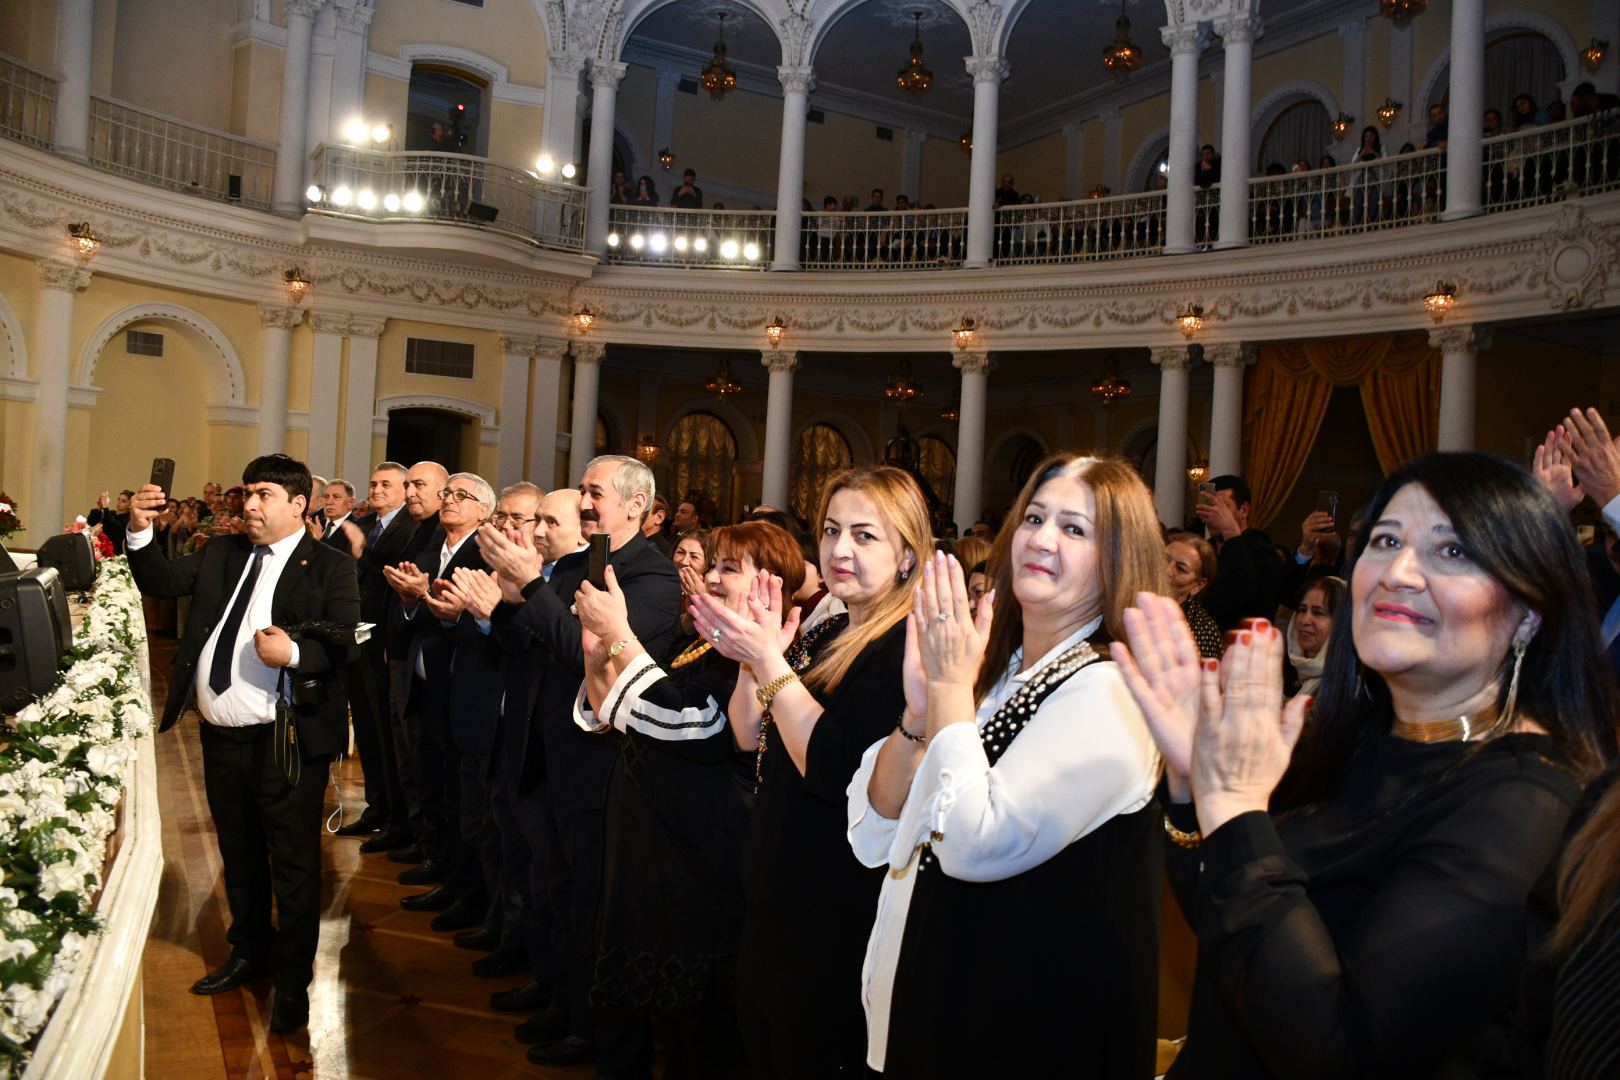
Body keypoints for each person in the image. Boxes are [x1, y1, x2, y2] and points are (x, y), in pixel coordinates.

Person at [1114, 451, 1614, 1077]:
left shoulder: (1527, 802)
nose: (1399, 572)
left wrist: (1236, 805)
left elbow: (1342, 1051)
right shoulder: (1361, 739)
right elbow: (1233, 924)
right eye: (1385, 540)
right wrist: (1193, 785)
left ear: (1529, 612)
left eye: (1453, 551)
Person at [848, 454, 1166, 1077]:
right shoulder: (996, 669)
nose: (1042, 539)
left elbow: (973, 844)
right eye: (1034, 518)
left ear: (1118, 558)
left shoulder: (1111, 691)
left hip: (1025, 1026)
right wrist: (919, 716)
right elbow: (875, 832)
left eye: (1074, 529)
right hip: (941, 1000)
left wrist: (946, 689)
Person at [688, 465, 924, 1078]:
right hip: (777, 903)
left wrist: (768, 659)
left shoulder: (904, 647)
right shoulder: (834, 631)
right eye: (831, 529)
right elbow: (750, 736)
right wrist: (751, 657)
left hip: (832, 917)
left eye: (866, 535)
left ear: (907, 555)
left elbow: (838, 773)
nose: (841, 548)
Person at [125, 454, 361, 1033]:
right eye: (248, 493)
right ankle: (248, 952)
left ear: (298, 504)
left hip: (284, 740)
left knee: (295, 865)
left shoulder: (329, 566)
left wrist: (298, 656)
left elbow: (348, 642)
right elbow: (159, 580)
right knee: (239, 852)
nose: (249, 505)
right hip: (220, 737)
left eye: (263, 495)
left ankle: (291, 983)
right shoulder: (223, 552)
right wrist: (138, 528)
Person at [572, 521, 806, 1079]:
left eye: (731, 568)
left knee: (700, 1030)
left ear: (770, 585)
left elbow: (697, 725)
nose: (714, 578)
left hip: (700, 855)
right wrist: (595, 647)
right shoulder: (704, 638)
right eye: (715, 565)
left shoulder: (762, 651)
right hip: (653, 843)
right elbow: (619, 711)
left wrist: (622, 634)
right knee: (656, 1015)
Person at [475, 455, 683, 1071]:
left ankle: (600, 1035)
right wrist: (505, 602)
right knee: (559, 897)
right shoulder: (582, 566)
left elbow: (585, 657)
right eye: (585, 494)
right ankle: (565, 1007)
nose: (587, 504)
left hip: (603, 773)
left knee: (595, 912)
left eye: (595, 494)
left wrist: (532, 588)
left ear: (635, 505)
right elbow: (532, 644)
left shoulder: (653, 578)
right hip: (553, 760)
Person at [339, 463, 418, 847]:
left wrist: (361, 550)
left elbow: (390, 573)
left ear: (405, 491)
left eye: (386, 484)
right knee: (368, 730)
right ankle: (376, 806)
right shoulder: (366, 522)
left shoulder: (411, 527)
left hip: (386, 643)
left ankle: (395, 816)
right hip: (358, 639)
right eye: (373, 482)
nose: (377, 489)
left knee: (388, 734)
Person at [1195, 474, 1287, 630]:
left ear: (1244, 510)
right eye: (1210, 506)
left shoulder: (1262, 552)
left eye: (1222, 507)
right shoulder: (1203, 551)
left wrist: (1231, 533)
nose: (1213, 514)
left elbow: (1246, 596)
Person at [1285, 575, 1344, 699]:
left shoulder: (1344, 684)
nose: (1305, 620)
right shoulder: (1284, 662)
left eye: (1318, 613)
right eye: (1302, 610)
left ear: (1341, 623)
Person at [1166, 530, 1222, 658]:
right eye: (1165, 558)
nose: (1167, 570)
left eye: (1180, 569)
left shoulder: (1204, 632)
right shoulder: (1132, 602)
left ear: (1198, 585)